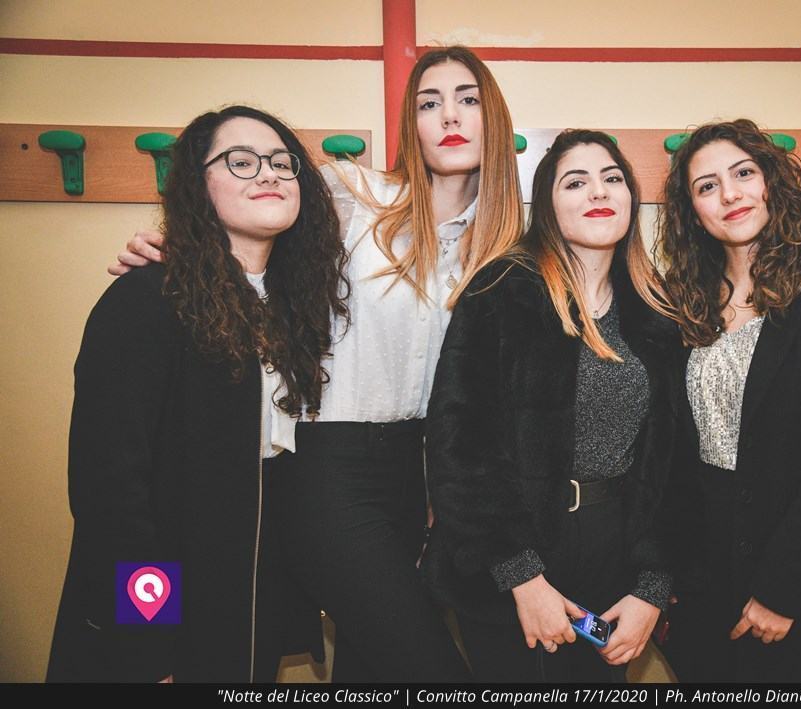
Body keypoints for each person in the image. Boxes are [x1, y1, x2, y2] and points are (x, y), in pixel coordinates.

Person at [106, 46, 522, 681]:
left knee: (374, 666)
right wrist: (171, 247)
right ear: (409, 123)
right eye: (428, 103)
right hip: (327, 466)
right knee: (428, 667)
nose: (449, 116)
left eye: (467, 99)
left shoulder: (503, 247)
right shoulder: (353, 193)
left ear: (493, 115)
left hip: (421, 479)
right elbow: (247, 226)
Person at [47, 106, 348, 682]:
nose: (268, 173)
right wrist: (149, 643)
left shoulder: (295, 313)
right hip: (164, 620)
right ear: (197, 183)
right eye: (241, 161)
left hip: (243, 610)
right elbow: (112, 495)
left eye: (281, 162)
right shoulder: (147, 299)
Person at [423, 129, 682, 682]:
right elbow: (459, 445)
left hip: (616, 554)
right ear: (547, 205)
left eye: (612, 178)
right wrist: (521, 577)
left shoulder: (657, 311)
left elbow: (672, 462)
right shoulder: (502, 290)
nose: (599, 192)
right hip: (511, 554)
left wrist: (653, 588)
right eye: (576, 182)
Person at [656, 118, 801, 682]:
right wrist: (667, 575)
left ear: (770, 183)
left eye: (743, 174)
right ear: (692, 211)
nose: (729, 194)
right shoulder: (681, 303)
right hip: (707, 570)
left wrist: (783, 589)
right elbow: (670, 455)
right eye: (707, 186)